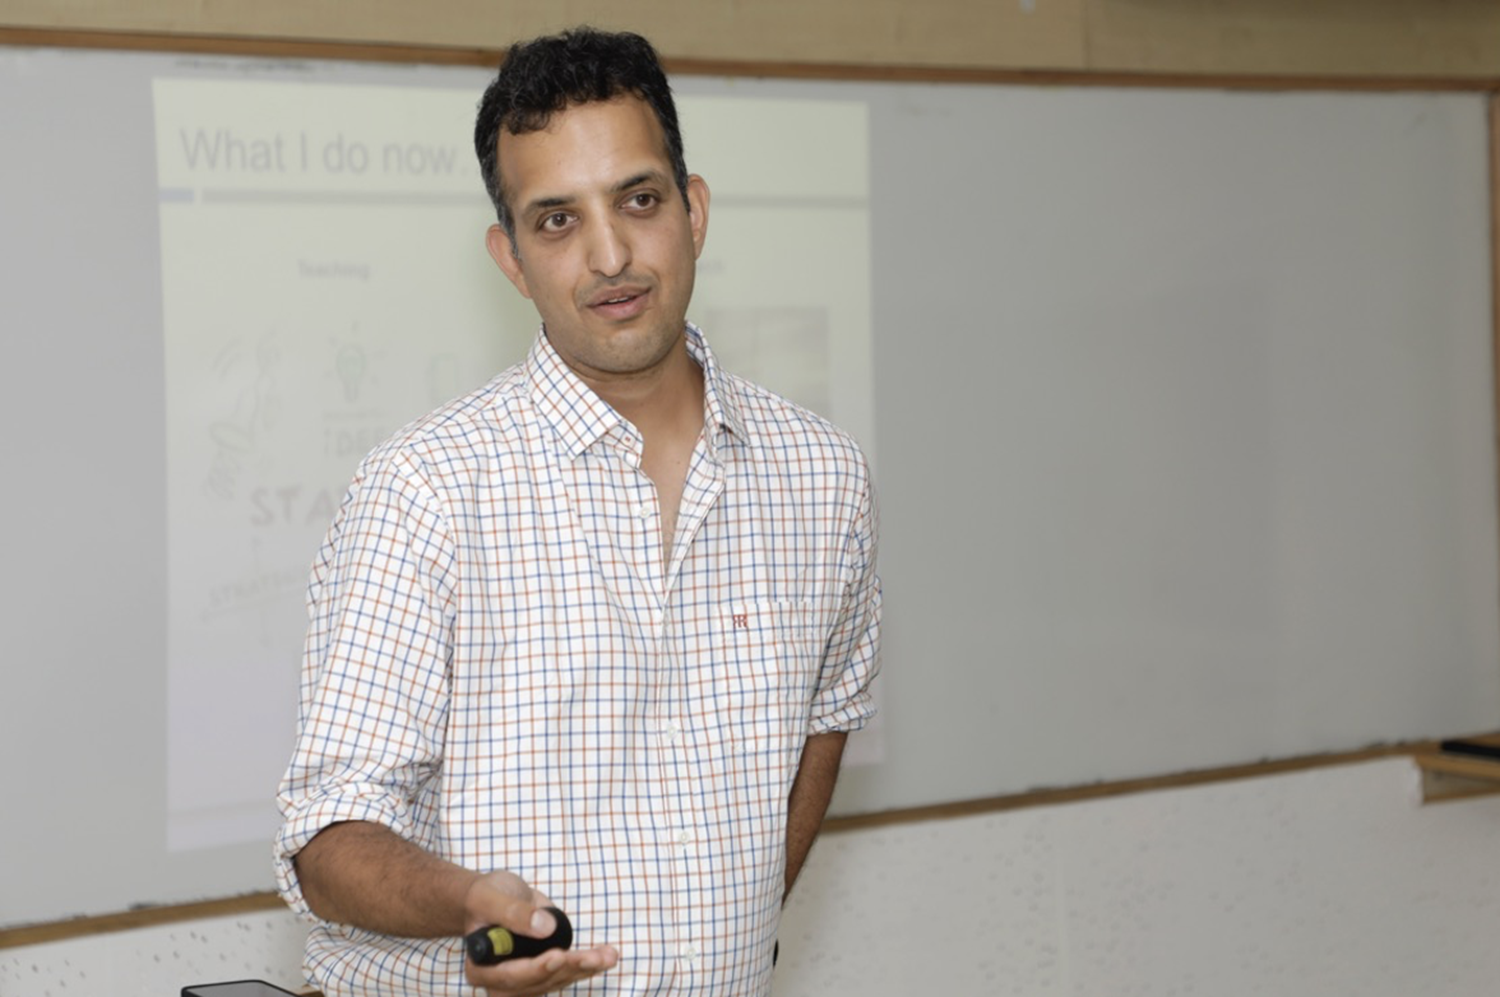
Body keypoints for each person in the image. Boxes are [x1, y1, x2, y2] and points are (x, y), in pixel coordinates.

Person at [274, 26, 881, 997]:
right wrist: (471, 900)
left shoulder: (823, 474)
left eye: (638, 201)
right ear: (509, 258)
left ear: (693, 210)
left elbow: (826, 716)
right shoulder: (427, 487)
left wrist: (742, 916)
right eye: (556, 221)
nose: (610, 255)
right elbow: (324, 839)